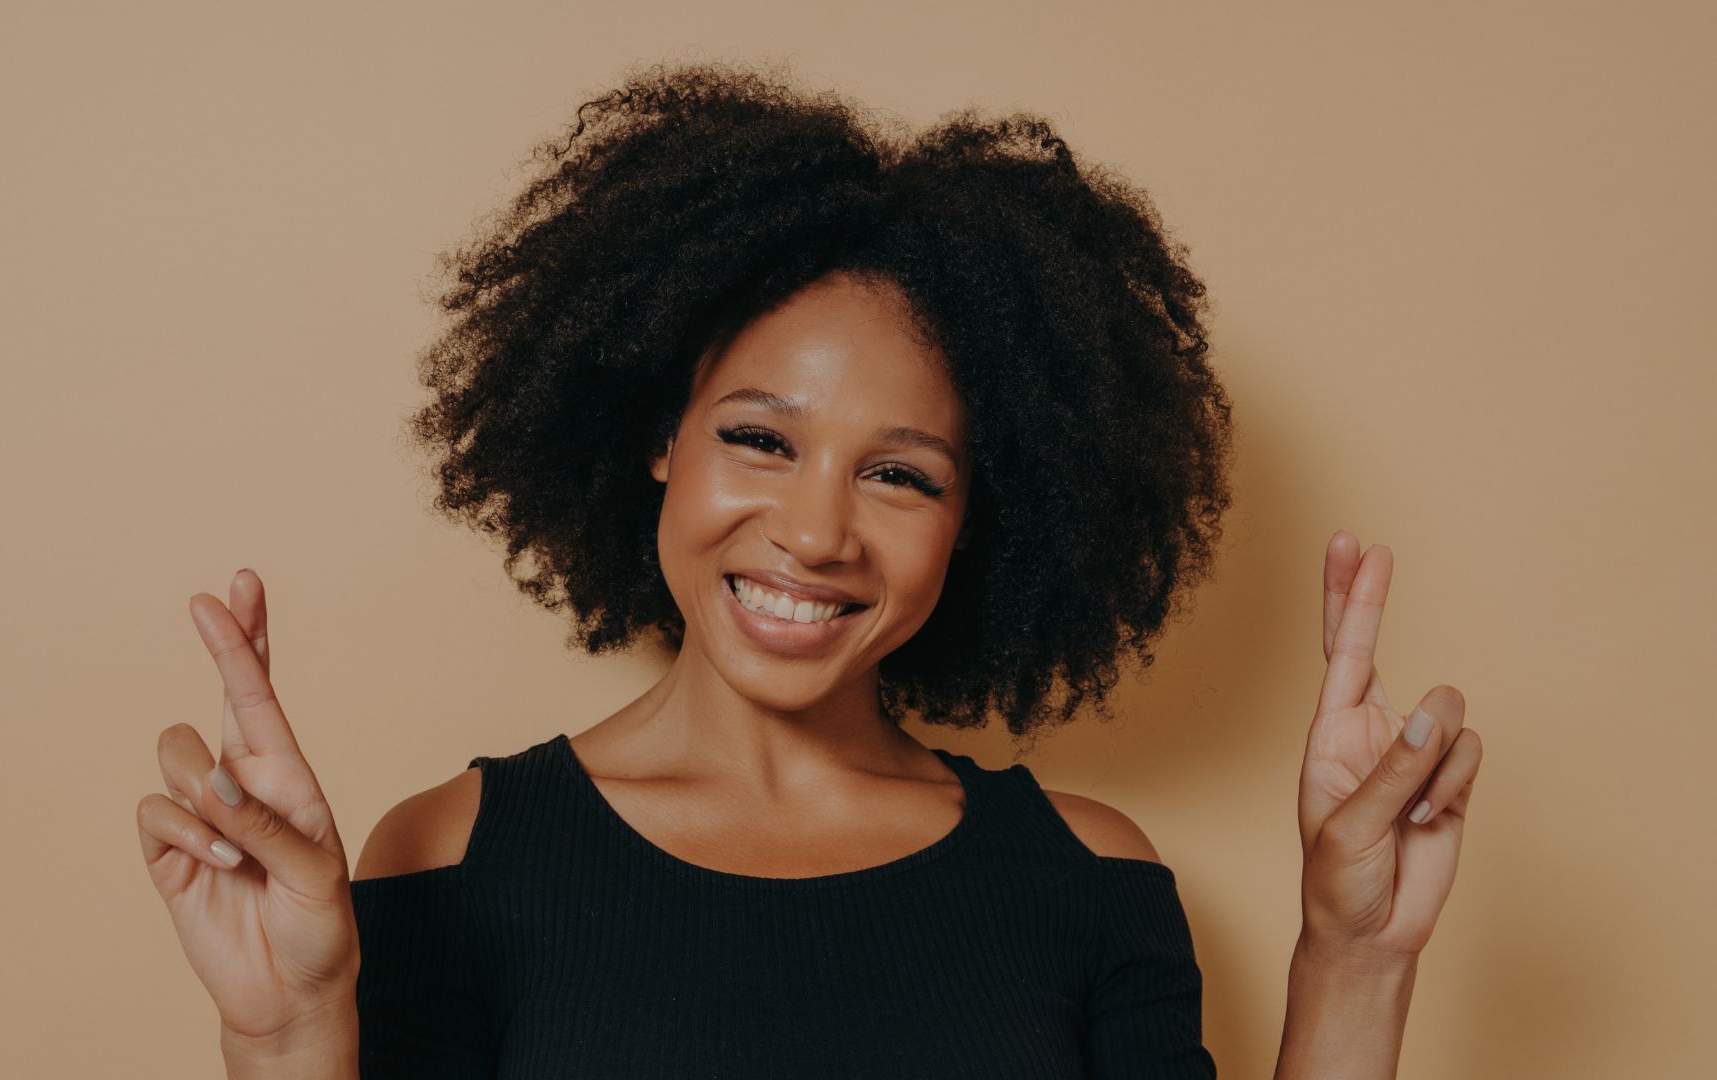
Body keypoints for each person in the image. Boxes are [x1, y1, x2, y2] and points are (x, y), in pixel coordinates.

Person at [137, 61, 1484, 1079]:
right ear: (660, 437)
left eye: (902, 473)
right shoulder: (457, 855)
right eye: (760, 439)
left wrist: (1354, 960)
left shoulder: (1089, 878)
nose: (819, 530)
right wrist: (290, 1032)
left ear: (978, 520)